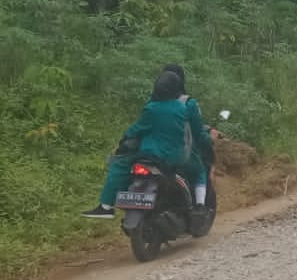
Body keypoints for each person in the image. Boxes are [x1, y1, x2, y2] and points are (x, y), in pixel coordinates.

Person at [81, 68, 215, 218]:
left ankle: (106, 206)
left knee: (119, 164)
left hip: (150, 153)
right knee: (199, 169)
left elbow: (137, 129)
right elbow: (197, 131)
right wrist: (209, 143)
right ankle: (200, 205)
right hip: (177, 155)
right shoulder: (185, 106)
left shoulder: (151, 107)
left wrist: (124, 141)